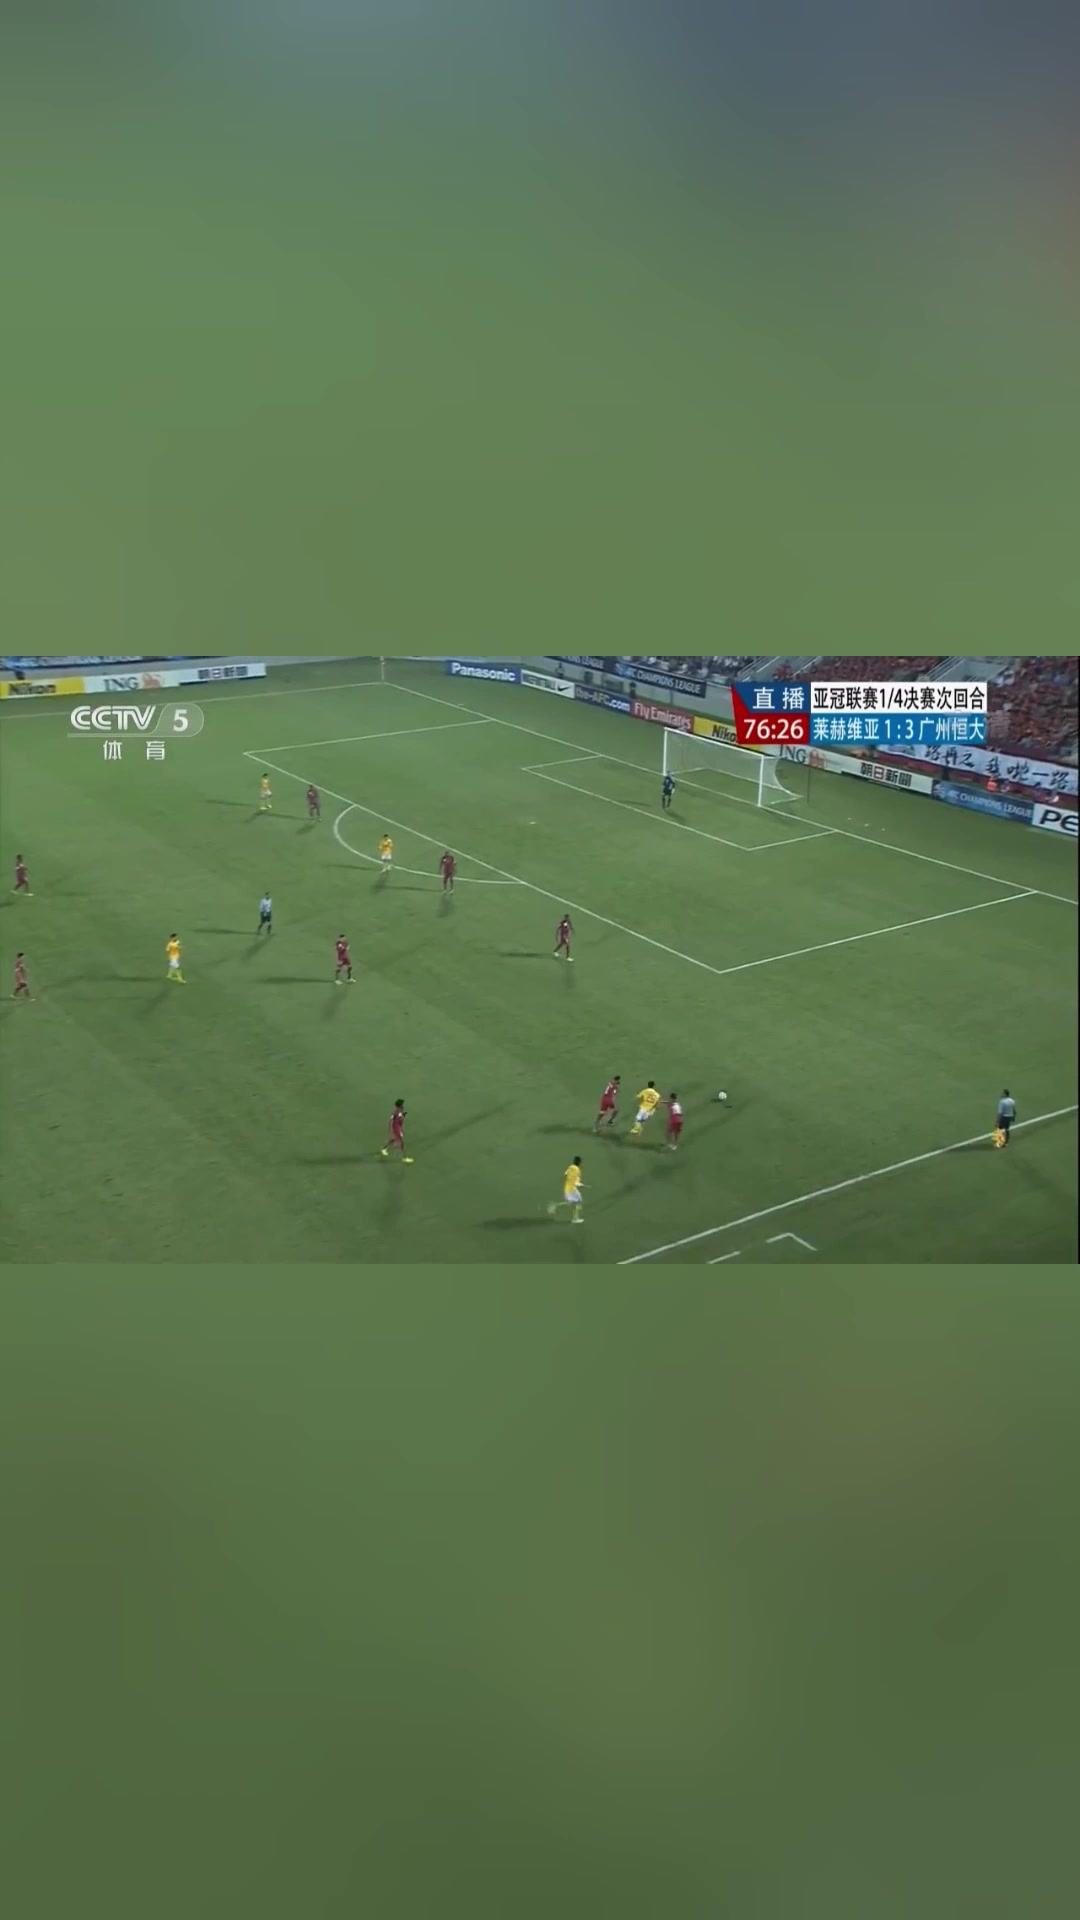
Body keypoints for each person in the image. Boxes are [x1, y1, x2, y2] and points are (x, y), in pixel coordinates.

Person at [548, 1156, 585, 1223]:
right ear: (579, 1162)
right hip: (571, 1190)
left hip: (567, 1188)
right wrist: (581, 1185)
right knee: (576, 1203)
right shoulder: (577, 1170)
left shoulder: (570, 1167)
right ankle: (575, 1219)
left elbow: (566, 1174)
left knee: (575, 1201)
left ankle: (556, 1206)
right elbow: (576, 1182)